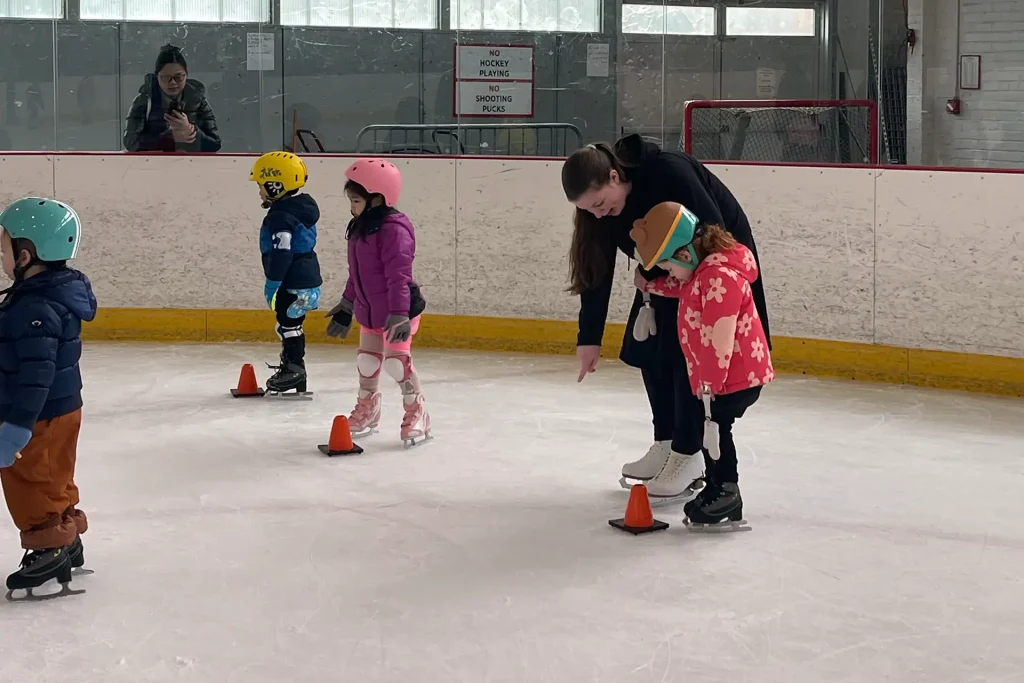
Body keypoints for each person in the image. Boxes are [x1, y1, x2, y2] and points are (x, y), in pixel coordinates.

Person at [560, 135, 770, 498]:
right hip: (663, 276)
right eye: (588, 210)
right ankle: (667, 439)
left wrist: (686, 281)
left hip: (713, 271)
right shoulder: (601, 210)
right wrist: (589, 336)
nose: (597, 214)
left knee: (684, 356)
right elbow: (596, 268)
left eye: (599, 204)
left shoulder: (668, 171)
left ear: (614, 176)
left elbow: (712, 232)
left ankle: (688, 452)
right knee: (648, 347)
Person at [630, 201, 773, 528]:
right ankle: (719, 487)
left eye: (667, 265)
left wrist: (709, 384)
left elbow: (720, 336)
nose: (669, 273)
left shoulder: (719, 278)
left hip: (733, 377)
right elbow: (681, 288)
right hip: (724, 376)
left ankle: (725, 490)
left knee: (716, 429)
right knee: (712, 429)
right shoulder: (705, 274)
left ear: (684, 255)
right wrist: (650, 286)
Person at [0, 196, 97, 600]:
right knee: (56, 475)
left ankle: (48, 546)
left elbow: (36, 371)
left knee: (30, 480)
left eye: (3, 247)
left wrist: (18, 425)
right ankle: (66, 535)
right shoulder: (55, 292)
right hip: (62, 407)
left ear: (25, 255)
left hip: (35, 413)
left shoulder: (34, 306)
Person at [325, 159, 430, 448]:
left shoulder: (394, 230)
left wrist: (398, 314)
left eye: (356, 200)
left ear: (377, 199)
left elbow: (399, 276)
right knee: (367, 362)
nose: (351, 207)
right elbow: (356, 274)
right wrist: (347, 305)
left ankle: (417, 411)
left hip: (399, 311)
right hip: (370, 310)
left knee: (397, 364)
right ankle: (367, 410)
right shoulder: (361, 228)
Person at [249, 151, 322, 395]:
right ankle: (293, 370)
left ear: (275, 185)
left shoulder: (281, 216)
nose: (259, 191)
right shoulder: (300, 209)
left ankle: (294, 370)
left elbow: (282, 252)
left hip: (293, 283)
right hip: (306, 280)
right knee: (290, 325)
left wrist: (273, 281)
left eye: (261, 186)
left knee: (289, 325)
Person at [123, 44, 221, 153]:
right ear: (157, 76)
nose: (173, 82)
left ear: (186, 75)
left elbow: (215, 144)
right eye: (166, 77)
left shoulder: (198, 100)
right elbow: (130, 142)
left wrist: (191, 131)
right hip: (153, 166)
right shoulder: (144, 101)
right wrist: (170, 138)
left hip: (191, 164)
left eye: (178, 77)